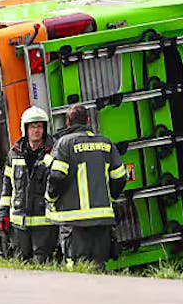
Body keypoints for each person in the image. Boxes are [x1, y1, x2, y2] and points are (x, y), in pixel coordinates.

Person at [44, 104, 127, 269]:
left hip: (74, 221)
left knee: (77, 268)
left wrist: (50, 197)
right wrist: (109, 198)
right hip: (102, 219)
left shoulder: (64, 144)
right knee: (99, 266)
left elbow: (57, 176)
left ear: (68, 122)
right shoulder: (106, 143)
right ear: (88, 121)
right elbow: (120, 178)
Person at [0, 106, 57, 262]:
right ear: (25, 128)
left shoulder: (54, 152)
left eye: (39, 126)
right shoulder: (14, 153)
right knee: (21, 263)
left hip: (44, 222)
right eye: (32, 126)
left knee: (43, 263)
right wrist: (3, 213)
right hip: (19, 224)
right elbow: (7, 187)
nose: (36, 130)